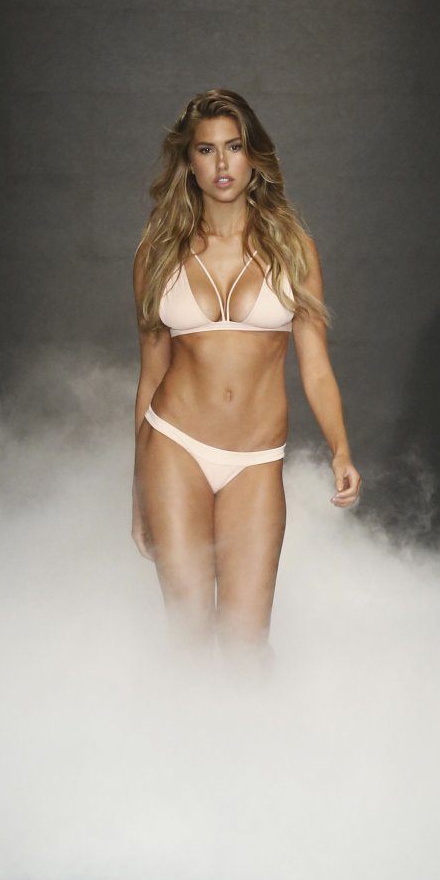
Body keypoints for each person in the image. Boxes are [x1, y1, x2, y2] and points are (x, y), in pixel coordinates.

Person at [131, 88, 361, 670]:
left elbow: (315, 365)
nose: (222, 163)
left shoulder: (293, 251)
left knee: (246, 644)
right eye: (206, 150)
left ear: (253, 155)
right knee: (187, 636)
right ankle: (176, 733)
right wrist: (138, 496)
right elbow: (151, 373)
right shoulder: (158, 253)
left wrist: (340, 449)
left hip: (256, 459)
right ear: (189, 162)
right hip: (174, 446)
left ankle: (252, 734)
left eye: (234, 147)